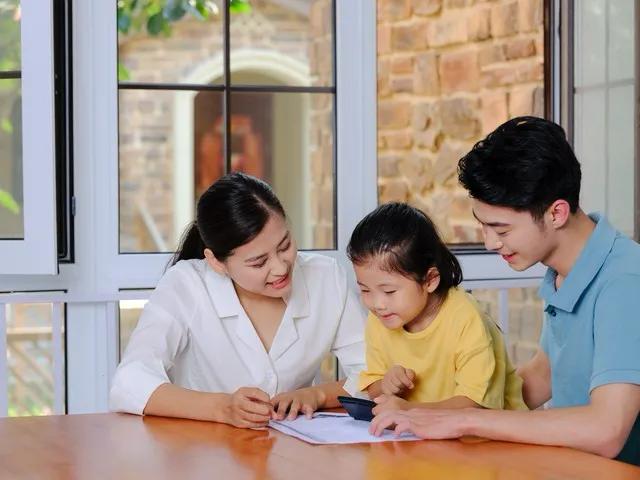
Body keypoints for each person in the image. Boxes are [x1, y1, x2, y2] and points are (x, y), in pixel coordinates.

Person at [370, 117, 640, 466]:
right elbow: (541, 377)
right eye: (483, 226)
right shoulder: (566, 271)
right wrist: (423, 412)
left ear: (556, 212)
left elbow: (607, 429)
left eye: (501, 228)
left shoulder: (625, 280)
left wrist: (466, 420)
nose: (489, 242)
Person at [110, 172, 366, 428]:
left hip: (293, 453)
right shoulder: (187, 284)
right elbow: (130, 381)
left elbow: (374, 372)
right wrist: (221, 408)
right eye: (259, 262)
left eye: (285, 245)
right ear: (216, 262)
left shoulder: (325, 277)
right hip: (204, 453)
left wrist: (317, 395)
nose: (280, 267)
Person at [347, 202, 526, 415]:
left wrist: (409, 411)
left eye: (389, 291)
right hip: (423, 437)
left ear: (430, 280)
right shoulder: (381, 318)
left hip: (493, 439)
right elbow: (373, 386)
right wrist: (387, 384)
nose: (377, 304)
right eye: (365, 290)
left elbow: (475, 405)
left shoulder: (465, 317)